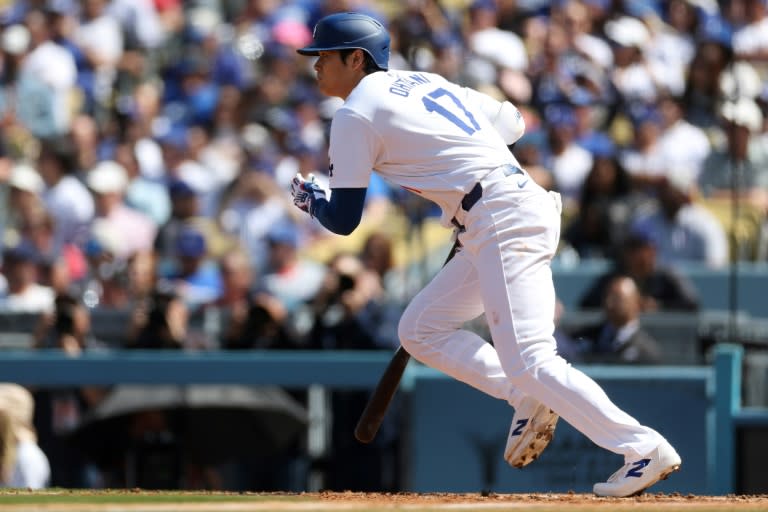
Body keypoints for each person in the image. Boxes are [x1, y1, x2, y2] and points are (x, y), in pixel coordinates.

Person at [291, 12, 681, 497]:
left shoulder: (353, 113)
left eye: (324, 56)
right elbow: (514, 123)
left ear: (356, 58)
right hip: (498, 209)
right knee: (419, 329)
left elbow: (344, 219)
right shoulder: (424, 80)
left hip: (498, 215)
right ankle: (525, 398)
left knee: (533, 359)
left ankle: (640, 447)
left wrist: (312, 201)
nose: (315, 66)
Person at [569, 276, 663, 365]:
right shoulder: (583, 336)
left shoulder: (647, 352)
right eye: (607, 296)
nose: (609, 303)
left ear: (636, 303)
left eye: (617, 298)